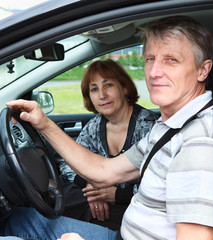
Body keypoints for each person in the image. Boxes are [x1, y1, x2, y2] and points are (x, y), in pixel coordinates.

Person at [0, 15, 213, 240]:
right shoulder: (171, 126)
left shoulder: (202, 142)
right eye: (150, 59)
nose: (154, 72)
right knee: (21, 219)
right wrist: (44, 124)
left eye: (171, 60)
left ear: (203, 70)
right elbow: (104, 170)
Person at [59, 59, 158, 230]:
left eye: (108, 85)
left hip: (141, 216)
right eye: (94, 89)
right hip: (104, 211)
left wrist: (119, 195)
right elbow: (67, 163)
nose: (102, 95)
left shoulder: (149, 127)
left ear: (125, 88)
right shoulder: (94, 126)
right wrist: (92, 186)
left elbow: (160, 184)